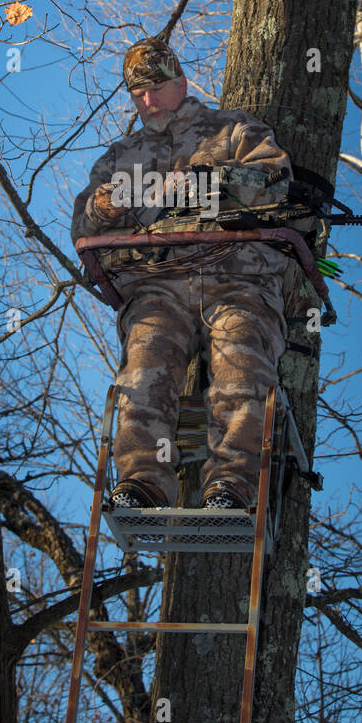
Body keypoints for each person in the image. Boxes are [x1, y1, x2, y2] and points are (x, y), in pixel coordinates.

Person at [71, 37, 292, 511]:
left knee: (241, 358)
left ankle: (233, 485)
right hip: (158, 288)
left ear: (182, 83)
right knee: (144, 362)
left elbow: (274, 182)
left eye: (156, 88)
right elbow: (82, 222)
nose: (147, 101)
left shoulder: (234, 130)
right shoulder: (120, 156)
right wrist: (108, 203)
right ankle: (143, 482)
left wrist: (203, 183)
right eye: (137, 94)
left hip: (239, 280)